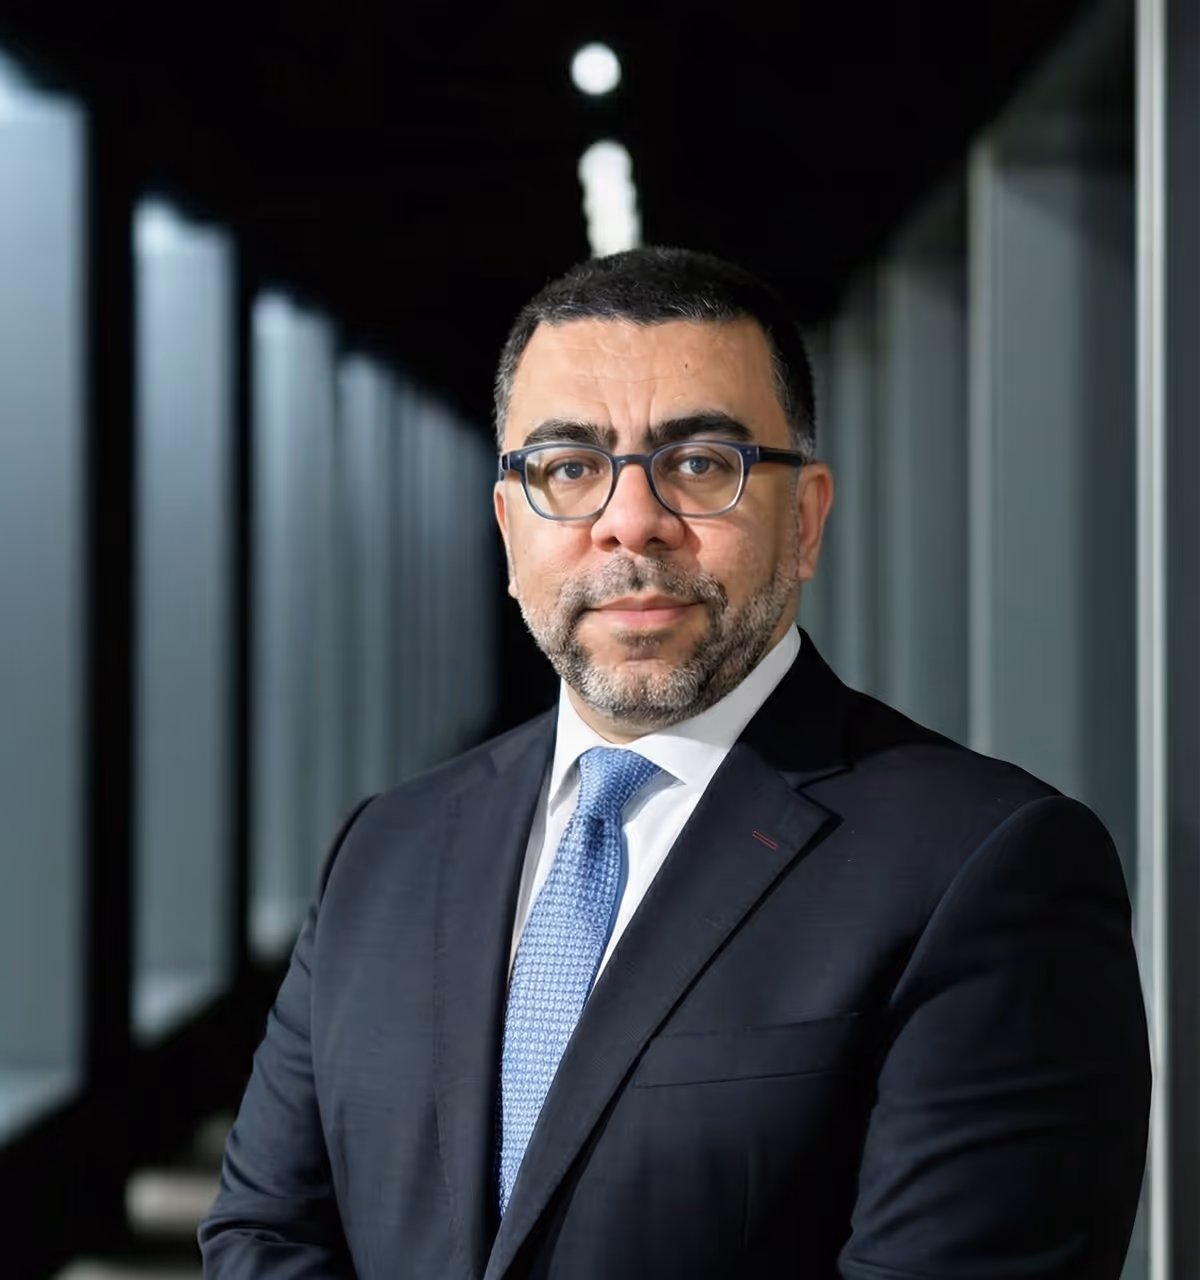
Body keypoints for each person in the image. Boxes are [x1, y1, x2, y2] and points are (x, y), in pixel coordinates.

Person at [199, 247, 1150, 1279]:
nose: (631, 520)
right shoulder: (384, 847)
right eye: (569, 468)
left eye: (700, 463)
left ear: (808, 515)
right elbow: (265, 1234)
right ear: (510, 523)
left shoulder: (987, 867)